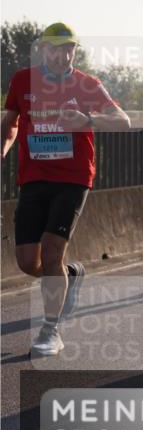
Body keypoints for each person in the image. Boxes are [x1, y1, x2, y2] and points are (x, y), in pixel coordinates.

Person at [2, 23, 131, 356]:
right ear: (44, 50)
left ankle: (50, 329)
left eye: (68, 49)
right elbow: (11, 122)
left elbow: (122, 120)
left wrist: (88, 121)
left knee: (51, 251)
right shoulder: (22, 80)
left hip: (73, 178)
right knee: (27, 262)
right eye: (55, 49)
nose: (62, 55)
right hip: (33, 177)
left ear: (75, 50)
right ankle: (70, 276)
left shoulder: (87, 85)